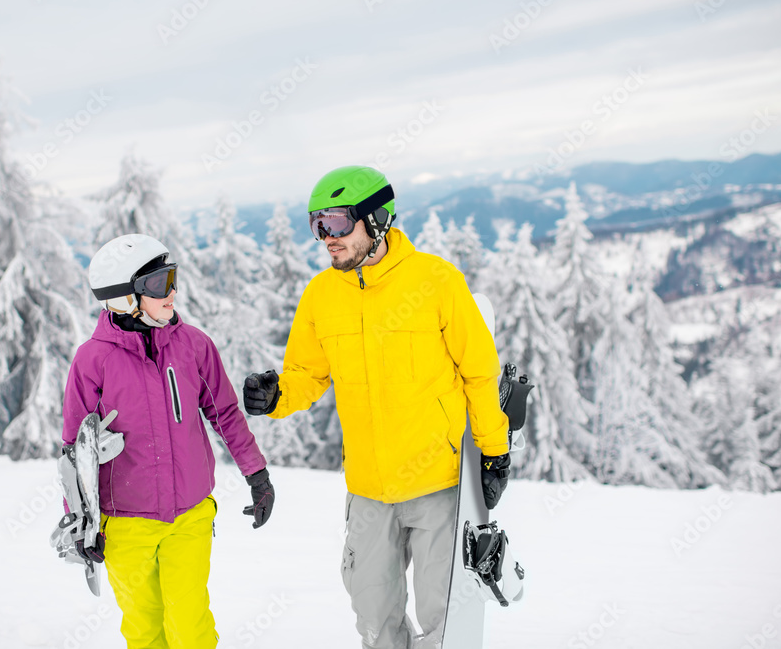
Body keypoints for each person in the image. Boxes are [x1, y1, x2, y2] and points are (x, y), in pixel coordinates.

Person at [242, 166, 509, 649]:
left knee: (446, 619)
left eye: (339, 222)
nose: (327, 237)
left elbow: (480, 371)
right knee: (373, 617)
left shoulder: (436, 280)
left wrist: (494, 451)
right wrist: (277, 395)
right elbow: (308, 374)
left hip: (438, 485)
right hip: (368, 490)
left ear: (376, 219)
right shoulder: (322, 295)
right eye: (317, 224)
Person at [63, 234, 274, 649]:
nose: (172, 292)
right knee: (144, 630)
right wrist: (80, 521)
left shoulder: (193, 345)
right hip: (125, 523)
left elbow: (225, 413)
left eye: (172, 278)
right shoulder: (93, 361)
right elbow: (75, 450)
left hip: (190, 515)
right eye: (159, 284)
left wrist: (257, 474)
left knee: (190, 625)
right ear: (125, 298)